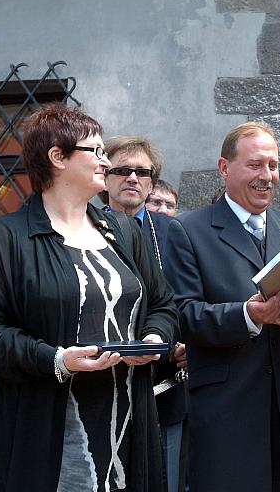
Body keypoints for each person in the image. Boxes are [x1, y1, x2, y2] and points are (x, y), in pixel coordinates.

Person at [0, 103, 180, 492]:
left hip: (128, 419)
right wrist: (56, 359)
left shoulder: (124, 231)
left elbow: (162, 305)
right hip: (46, 429)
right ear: (57, 157)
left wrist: (154, 340)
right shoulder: (7, 238)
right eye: (95, 151)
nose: (105, 161)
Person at [165, 121, 280, 492]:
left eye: (273, 166)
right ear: (224, 168)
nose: (267, 176)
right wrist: (246, 315)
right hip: (228, 409)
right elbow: (183, 316)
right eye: (256, 165)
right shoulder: (188, 230)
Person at [102, 136, 187, 492]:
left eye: (142, 172)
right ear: (103, 176)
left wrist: (185, 340)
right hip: (100, 376)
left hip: (164, 378)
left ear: (152, 181)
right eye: (122, 170)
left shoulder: (174, 230)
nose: (132, 178)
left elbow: (189, 296)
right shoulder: (82, 228)